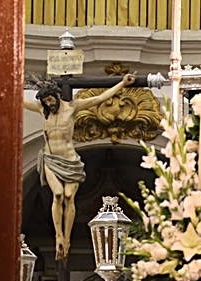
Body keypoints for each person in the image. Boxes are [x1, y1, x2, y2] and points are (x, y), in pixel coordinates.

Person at [23, 73, 136, 261]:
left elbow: (100, 98)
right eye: (45, 101)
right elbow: (19, 100)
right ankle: (59, 236)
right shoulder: (42, 110)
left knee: (69, 196)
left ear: (57, 95)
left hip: (70, 161)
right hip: (50, 159)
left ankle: (66, 239)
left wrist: (122, 84)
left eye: (50, 99)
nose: (49, 103)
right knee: (58, 195)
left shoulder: (72, 108)